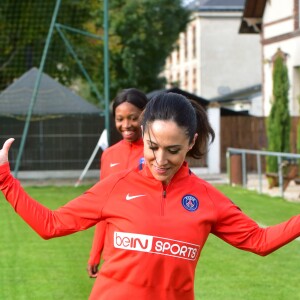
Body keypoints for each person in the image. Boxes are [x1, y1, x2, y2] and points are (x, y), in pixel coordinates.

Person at [1, 92, 300, 300]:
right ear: (143, 134)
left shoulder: (207, 199)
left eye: (173, 150)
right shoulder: (117, 186)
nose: (160, 159)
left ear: (191, 143)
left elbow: (259, 241)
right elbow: (50, 224)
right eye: (152, 146)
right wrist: (6, 180)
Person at [87, 88, 148, 278]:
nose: (126, 125)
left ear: (146, 116)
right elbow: (103, 207)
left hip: (146, 250)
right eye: (120, 119)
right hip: (114, 252)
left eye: (133, 117)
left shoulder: (156, 154)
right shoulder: (109, 155)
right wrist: (95, 253)